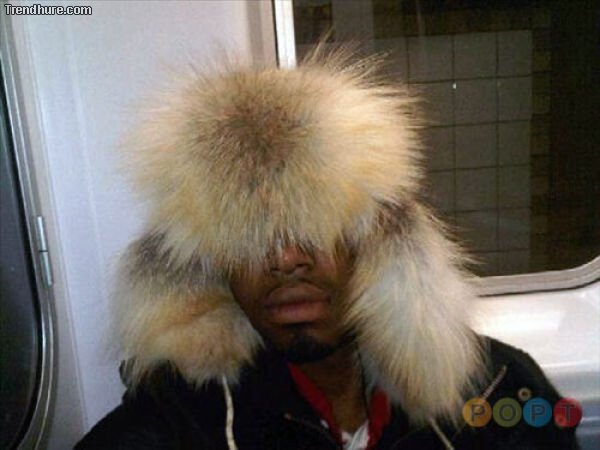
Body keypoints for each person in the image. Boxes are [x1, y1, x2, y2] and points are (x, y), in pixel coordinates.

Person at [76, 48, 580, 449]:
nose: (286, 260)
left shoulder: (500, 389)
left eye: (317, 229)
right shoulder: (181, 419)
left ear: (375, 243)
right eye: (249, 239)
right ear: (212, 269)